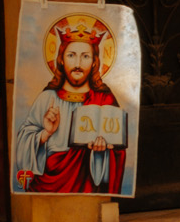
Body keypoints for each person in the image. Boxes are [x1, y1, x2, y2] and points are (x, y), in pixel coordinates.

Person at [14, 14, 127, 193]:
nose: (77, 64)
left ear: (95, 62)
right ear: (61, 59)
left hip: (87, 183)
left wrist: (101, 152)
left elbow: (118, 152)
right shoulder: (47, 98)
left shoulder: (104, 100)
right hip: (47, 183)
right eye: (71, 55)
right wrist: (46, 133)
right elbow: (22, 145)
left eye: (85, 57)